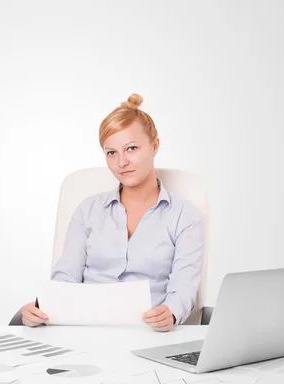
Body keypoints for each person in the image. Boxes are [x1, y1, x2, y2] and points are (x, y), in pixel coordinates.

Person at [21, 94, 205, 332]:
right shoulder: (87, 210)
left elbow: (183, 289)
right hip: (85, 331)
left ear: (155, 146)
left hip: (149, 334)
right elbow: (65, 278)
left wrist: (170, 312)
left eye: (131, 149)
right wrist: (40, 308)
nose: (122, 162)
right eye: (111, 153)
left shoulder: (183, 215)